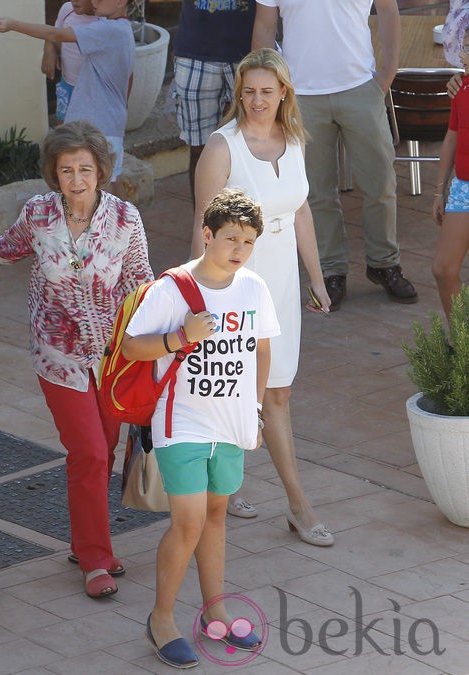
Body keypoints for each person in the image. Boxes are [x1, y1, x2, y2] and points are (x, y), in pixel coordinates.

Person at [0, 121, 153, 598]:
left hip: (114, 359)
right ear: (52, 174)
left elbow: (141, 282)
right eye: (66, 170)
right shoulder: (39, 214)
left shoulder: (124, 218)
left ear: (101, 170)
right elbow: (8, 247)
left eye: (85, 169)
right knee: (91, 452)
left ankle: (85, 542)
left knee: (106, 453)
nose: (76, 179)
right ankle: (96, 559)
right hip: (58, 357)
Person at [123, 189, 278, 669]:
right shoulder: (171, 289)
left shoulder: (253, 287)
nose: (239, 249)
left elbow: (262, 350)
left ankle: (217, 610)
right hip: (180, 422)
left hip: (231, 425)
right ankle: (161, 618)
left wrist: (254, 409)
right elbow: (131, 349)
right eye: (230, 237)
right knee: (187, 522)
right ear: (206, 235)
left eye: (248, 241)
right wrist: (179, 337)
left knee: (216, 515)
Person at [191, 48, 335, 546]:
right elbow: (202, 225)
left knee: (276, 388)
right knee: (244, 389)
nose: (256, 100)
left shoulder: (294, 140)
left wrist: (316, 278)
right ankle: (298, 503)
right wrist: (199, 295)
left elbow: (301, 212)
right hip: (234, 282)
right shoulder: (221, 147)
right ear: (239, 94)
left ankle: (227, 487)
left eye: (266, 92)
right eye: (248, 91)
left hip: (282, 283)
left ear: (283, 94)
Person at [252, 0, 417, 311]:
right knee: (316, 193)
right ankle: (330, 271)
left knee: (380, 183)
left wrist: (387, 72)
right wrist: (269, 91)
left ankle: (384, 263)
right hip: (301, 96)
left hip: (361, 88)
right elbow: (264, 27)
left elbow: (388, 9)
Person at [0, 0, 135, 198]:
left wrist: (13, 24)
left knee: (98, 193)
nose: (93, 0)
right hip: (110, 124)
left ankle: (105, 228)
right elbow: (130, 78)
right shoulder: (122, 29)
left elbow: (56, 34)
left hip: (100, 127)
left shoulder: (109, 30)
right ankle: (120, 227)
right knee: (109, 183)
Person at [173, 0, 256, 199]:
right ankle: (203, 226)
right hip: (195, 52)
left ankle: (255, 223)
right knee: (199, 148)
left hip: (250, 51)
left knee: (255, 145)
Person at [434, 13, 469, 321]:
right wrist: (438, 191)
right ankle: (461, 343)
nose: (465, 55)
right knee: (444, 270)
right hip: (463, 188)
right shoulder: (461, 89)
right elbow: (451, 138)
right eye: (465, 46)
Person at [41, 1, 98, 123]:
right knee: (64, 130)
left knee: (90, 135)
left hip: (93, 91)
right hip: (67, 84)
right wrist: (49, 50)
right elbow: (54, 34)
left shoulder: (105, 21)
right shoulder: (67, 9)